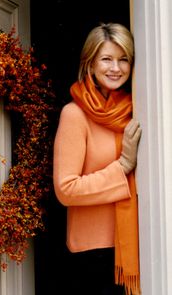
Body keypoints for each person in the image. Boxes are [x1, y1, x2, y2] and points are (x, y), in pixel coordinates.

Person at [53, 23, 142, 295]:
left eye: (123, 59)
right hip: (94, 254)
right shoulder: (74, 115)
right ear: (90, 64)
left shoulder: (136, 108)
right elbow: (66, 189)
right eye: (107, 59)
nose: (116, 67)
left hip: (137, 242)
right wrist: (123, 166)